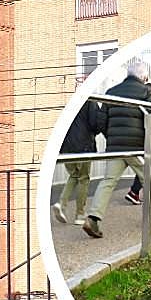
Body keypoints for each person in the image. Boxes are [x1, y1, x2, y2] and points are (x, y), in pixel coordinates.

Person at [82, 60, 151, 239]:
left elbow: (101, 122)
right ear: (144, 77)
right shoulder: (145, 91)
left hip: (115, 147)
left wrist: (112, 138)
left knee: (108, 181)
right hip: (136, 148)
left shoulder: (111, 92)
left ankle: (93, 218)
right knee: (148, 180)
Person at [52, 96, 106, 226]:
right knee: (83, 178)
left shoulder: (65, 98)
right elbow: (95, 124)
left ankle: (61, 203)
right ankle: (80, 214)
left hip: (66, 146)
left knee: (74, 175)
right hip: (83, 145)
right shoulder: (89, 100)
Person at [125, 86, 151, 205]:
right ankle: (137, 192)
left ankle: (136, 192)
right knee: (146, 168)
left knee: (143, 167)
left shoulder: (138, 103)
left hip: (143, 140)